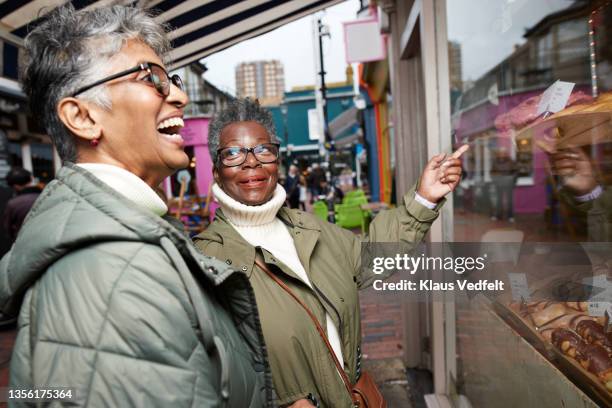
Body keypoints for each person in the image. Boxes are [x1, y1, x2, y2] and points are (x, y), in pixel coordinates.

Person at [0, 6, 269, 406]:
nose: (178, 95)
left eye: (172, 79)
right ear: (83, 117)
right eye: (153, 79)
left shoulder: (129, 241)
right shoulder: (111, 272)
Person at [195, 98, 467, 407]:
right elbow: (205, 375)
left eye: (263, 150)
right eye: (233, 153)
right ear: (216, 171)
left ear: (277, 161)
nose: (251, 162)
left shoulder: (310, 229)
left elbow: (372, 258)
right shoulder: (204, 260)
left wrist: (423, 198)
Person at [2, 167, 42, 243]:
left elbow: (8, 229)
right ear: (30, 179)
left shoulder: (13, 204)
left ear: (15, 186)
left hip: (25, 243)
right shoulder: (47, 194)